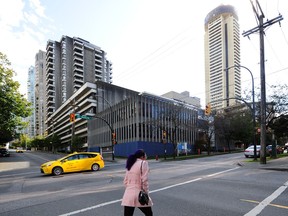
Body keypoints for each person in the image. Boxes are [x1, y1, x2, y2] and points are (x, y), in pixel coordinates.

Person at [121, 149, 153, 216]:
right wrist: (146, 193)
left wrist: (130, 188)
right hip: (139, 194)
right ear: (142, 156)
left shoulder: (130, 163)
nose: (146, 157)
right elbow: (144, 181)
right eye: (145, 155)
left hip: (128, 193)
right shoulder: (143, 163)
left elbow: (125, 181)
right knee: (149, 213)